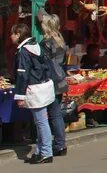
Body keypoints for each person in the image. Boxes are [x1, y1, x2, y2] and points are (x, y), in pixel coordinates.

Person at [12, 23, 55, 164]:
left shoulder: (24, 51)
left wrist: (20, 95)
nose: (11, 37)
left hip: (35, 89)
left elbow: (22, 74)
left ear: (18, 34)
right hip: (44, 86)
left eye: (12, 34)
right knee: (41, 121)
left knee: (41, 122)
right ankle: (40, 151)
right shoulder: (37, 46)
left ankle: (46, 152)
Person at [38, 13, 68, 157]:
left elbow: (43, 63)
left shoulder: (46, 42)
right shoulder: (60, 40)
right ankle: (61, 144)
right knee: (57, 114)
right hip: (61, 78)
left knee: (53, 114)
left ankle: (58, 144)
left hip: (51, 80)